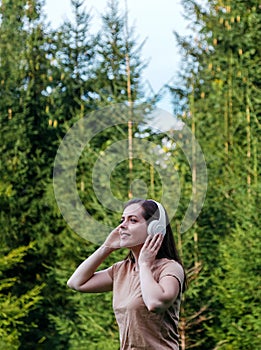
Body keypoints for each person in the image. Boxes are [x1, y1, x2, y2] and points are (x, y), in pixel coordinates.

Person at [67, 198, 186, 350]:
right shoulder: (121, 270)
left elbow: (155, 303)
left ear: (155, 228)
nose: (122, 226)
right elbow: (76, 283)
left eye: (133, 220)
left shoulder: (170, 268)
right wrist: (107, 247)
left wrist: (144, 263)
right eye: (122, 220)